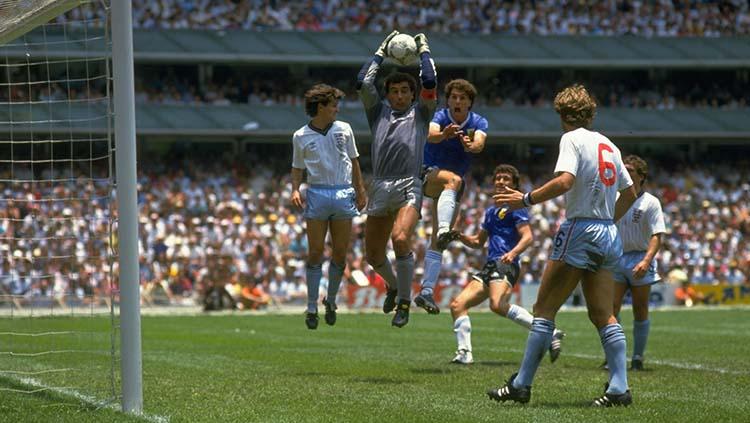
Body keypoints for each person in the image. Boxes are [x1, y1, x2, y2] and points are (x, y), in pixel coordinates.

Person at [489, 84, 638, 407]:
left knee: (544, 311)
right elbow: (630, 193)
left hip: (580, 228)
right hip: (607, 232)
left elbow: (565, 181)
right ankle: (619, 388)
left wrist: (525, 199)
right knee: (602, 314)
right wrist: (609, 219)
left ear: (562, 114)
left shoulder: (571, 138)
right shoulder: (608, 144)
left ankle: (521, 385)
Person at [357, 30, 438, 327]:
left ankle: (404, 301)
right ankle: (392, 286)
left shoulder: (421, 113)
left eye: (406, 91)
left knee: (401, 238)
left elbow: (430, 81)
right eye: (395, 91)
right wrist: (380, 51)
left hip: (409, 183)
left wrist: (424, 52)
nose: (400, 95)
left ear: (412, 94)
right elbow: (362, 82)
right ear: (388, 94)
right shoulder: (377, 112)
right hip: (379, 184)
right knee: (373, 255)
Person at [448, 164, 565, 365]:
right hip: (491, 265)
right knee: (457, 305)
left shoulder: (516, 206)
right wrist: (458, 235)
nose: (501, 181)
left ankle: (550, 331)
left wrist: (513, 253)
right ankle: (464, 353)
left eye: (506, 179)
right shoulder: (492, 211)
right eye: (498, 178)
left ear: (514, 184)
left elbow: (528, 237)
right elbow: (478, 242)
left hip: (505, 263)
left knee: (497, 304)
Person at [291, 83, 367, 330]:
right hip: (317, 192)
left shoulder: (344, 129)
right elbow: (297, 168)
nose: (337, 109)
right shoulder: (301, 136)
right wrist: (294, 189)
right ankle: (311, 305)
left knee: (340, 253)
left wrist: (361, 189)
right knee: (315, 253)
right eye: (333, 105)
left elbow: (354, 161)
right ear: (321, 107)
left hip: (343, 191)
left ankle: (331, 300)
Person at [413, 79, 488, 315]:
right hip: (428, 173)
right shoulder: (440, 116)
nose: (457, 101)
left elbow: (479, 145)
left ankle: (426, 291)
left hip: (452, 188)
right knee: (453, 181)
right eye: (453, 97)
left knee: (438, 241)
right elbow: (431, 134)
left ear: (469, 103)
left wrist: (470, 145)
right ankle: (445, 228)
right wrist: (445, 134)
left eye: (462, 98)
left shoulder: (478, 122)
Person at [610, 155, 666, 371]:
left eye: (630, 170)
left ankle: (637, 357)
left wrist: (646, 260)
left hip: (640, 257)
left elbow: (657, 235)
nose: (625, 174)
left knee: (640, 308)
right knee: (611, 309)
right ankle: (613, 357)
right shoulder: (614, 197)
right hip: (616, 257)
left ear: (642, 177)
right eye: (623, 170)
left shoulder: (650, 202)